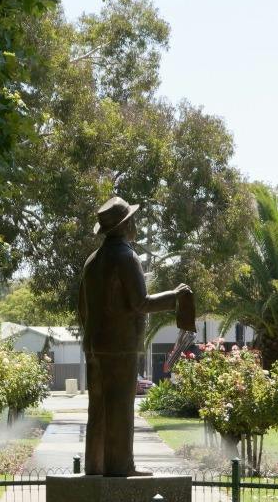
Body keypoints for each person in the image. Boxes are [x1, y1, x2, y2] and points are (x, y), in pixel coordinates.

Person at [77, 196, 193, 477]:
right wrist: (175, 297)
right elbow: (140, 302)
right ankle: (120, 466)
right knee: (120, 407)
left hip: (94, 345)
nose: (136, 224)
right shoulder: (126, 257)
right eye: (132, 219)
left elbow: (82, 307)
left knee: (98, 408)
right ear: (126, 225)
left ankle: (95, 465)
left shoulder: (92, 261)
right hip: (120, 346)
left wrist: (94, 336)